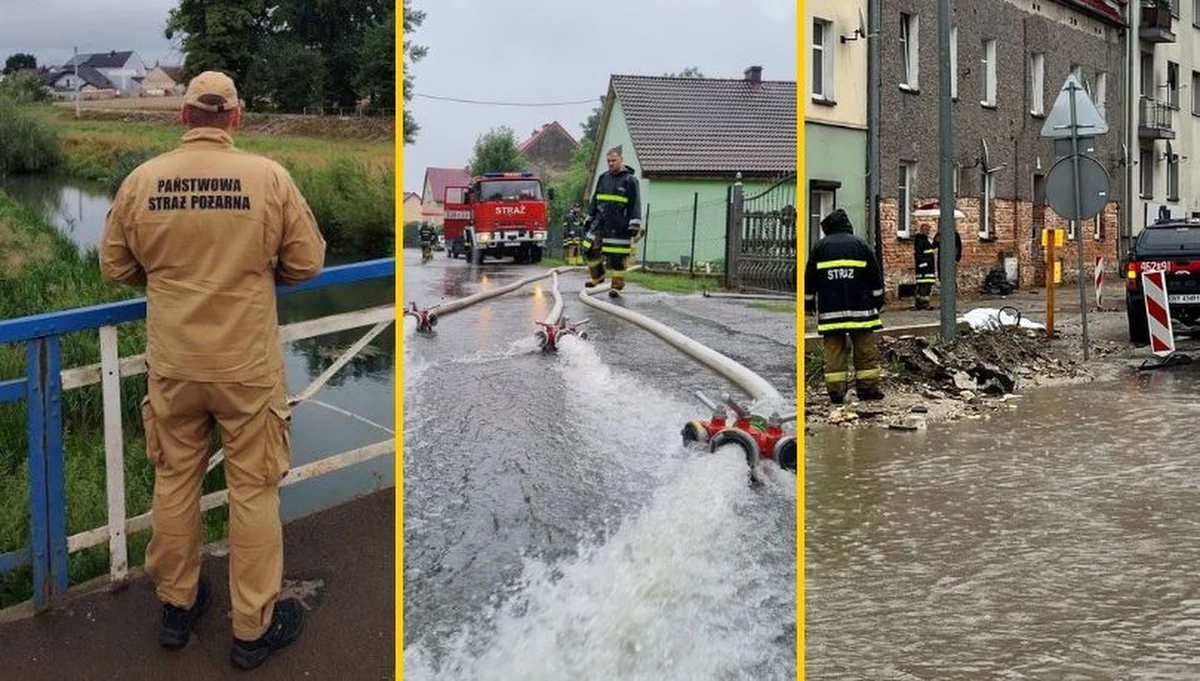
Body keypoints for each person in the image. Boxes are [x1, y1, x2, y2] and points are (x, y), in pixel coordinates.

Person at [99, 71, 325, 670]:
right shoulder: (269, 178)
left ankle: (178, 606)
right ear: (236, 117)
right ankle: (252, 630)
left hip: (174, 364)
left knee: (176, 480)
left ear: (183, 117)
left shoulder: (142, 181)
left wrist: (169, 276)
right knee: (253, 492)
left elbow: (116, 267)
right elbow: (307, 261)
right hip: (247, 367)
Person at [804, 209, 885, 404]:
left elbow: (809, 279)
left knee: (834, 352)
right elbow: (875, 276)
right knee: (865, 350)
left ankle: (836, 392)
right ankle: (868, 390)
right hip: (861, 310)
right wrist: (878, 301)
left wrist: (808, 303)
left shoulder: (820, 247)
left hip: (831, 312)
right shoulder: (861, 244)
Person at [583, 146, 642, 298]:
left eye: (614, 160)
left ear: (621, 160)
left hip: (619, 225)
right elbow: (595, 199)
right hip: (600, 222)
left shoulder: (630, 180)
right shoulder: (603, 178)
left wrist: (634, 224)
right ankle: (598, 277)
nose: (610, 164)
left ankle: (616, 286)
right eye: (608, 161)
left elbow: (635, 204)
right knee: (589, 249)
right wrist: (590, 216)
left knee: (617, 257)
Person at [913, 223, 938, 309]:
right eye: (926, 230)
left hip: (928, 267)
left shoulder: (926, 240)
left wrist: (936, 242)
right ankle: (923, 304)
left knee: (927, 286)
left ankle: (921, 304)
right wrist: (924, 264)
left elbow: (930, 249)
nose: (928, 232)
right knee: (924, 287)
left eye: (929, 230)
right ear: (922, 230)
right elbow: (920, 254)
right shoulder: (920, 240)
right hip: (924, 268)